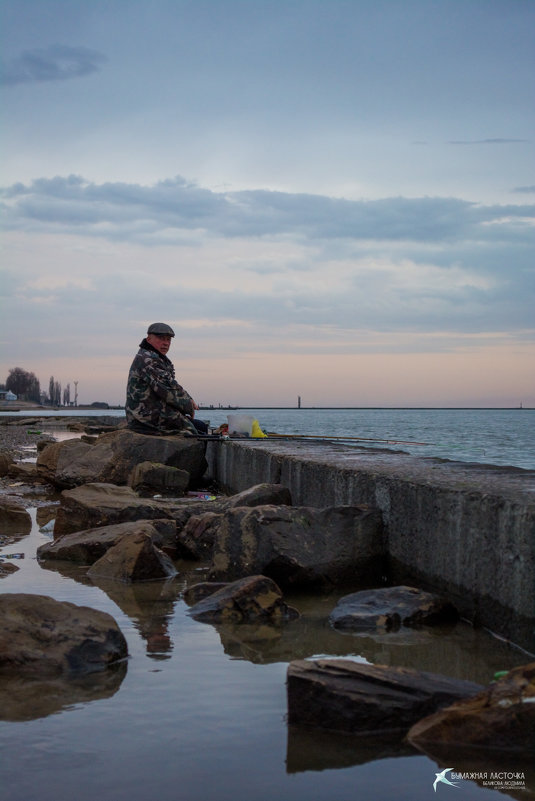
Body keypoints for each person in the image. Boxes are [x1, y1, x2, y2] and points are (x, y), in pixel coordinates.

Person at [125, 322, 207, 435]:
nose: (165, 343)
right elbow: (168, 390)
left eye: (168, 340)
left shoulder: (155, 357)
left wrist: (188, 398)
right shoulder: (148, 359)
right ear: (149, 339)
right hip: (145, 419)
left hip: (150, 414)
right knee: (196, 430)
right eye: (161, 338)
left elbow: (170, 384)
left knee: (200, 427)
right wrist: (188, 405)